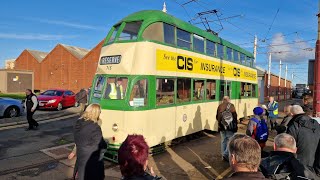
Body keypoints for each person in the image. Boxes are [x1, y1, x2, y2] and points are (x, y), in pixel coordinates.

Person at [73, 103, 108, 180]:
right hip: (92, 161)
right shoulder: (95, 127)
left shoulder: (78, 123)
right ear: (96, 113)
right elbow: (99, 144)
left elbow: (77, 140)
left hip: (80, 156)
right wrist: (105, 144)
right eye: (100, 112)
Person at [216, 96, 238, 161]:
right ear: (228, 100)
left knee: (223, 141)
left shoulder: (220, 106)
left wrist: (220, 124)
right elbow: (235, 117)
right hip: (230, 127)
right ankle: (226, 154)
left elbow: (217, 117)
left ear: (223, 100)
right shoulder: (232, 106)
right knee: (230, 141)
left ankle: (223, 156)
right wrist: (235, 126)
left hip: (222, 127)